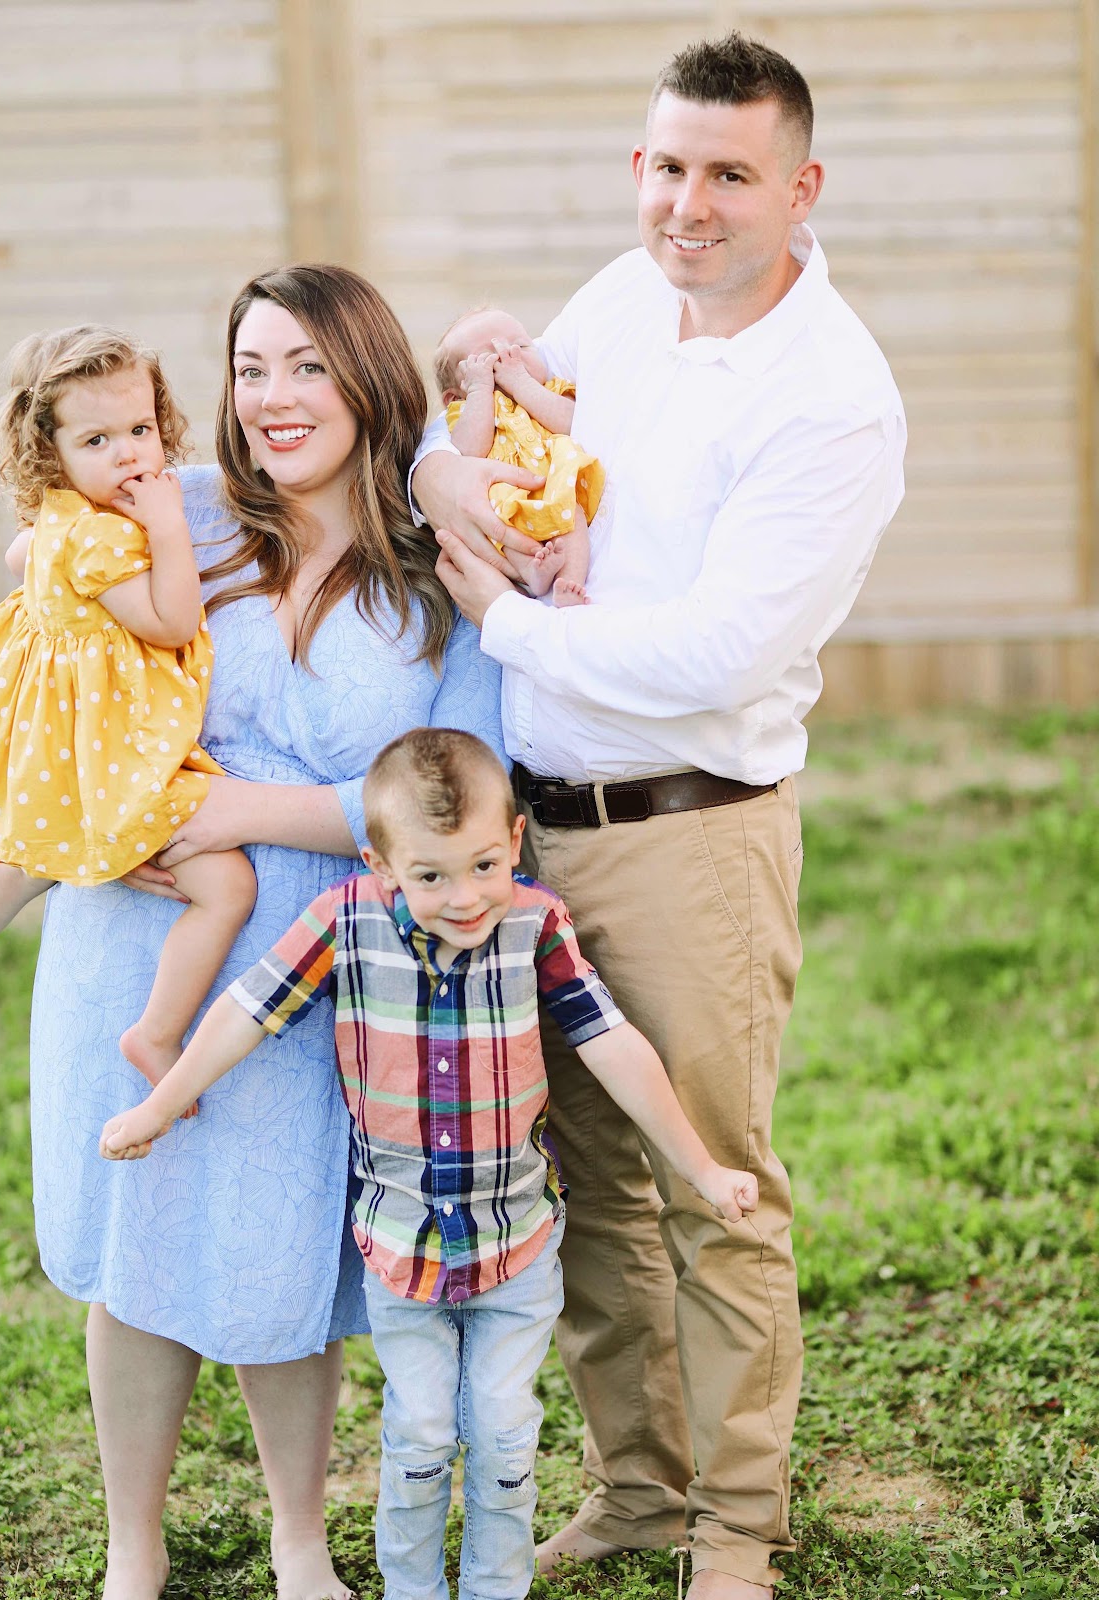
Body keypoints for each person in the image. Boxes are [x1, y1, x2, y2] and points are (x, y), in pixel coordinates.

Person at [412, 33, 906, 1600]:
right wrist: (447, 465)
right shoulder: (625, 300)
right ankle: (640, 1489)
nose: (689, 203)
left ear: (801, 190)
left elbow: (718, 654)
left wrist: (504, 617)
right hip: (532, 833)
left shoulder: (834, 399)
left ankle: (737, 1531)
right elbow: (500, 446)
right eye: (668, 165)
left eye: (729, 174)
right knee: (588, 1187)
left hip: (693, 836)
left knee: (713, 1189)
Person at [0, 266, 505, 1600]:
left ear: (367, 380)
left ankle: (297, 1537)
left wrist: (237, 810)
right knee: (137, 1243)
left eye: (307, 365)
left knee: (280, 1238)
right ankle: (130, 1546)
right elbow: (36, 643)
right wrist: (91, 801)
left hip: (318, 955)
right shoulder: (176, 513)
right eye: (251, 369)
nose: (272, 397)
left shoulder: (436, 570)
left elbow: (460, 784)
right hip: (135, 928)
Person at [97, 727, 760, 1600]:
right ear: (381, 865)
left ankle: (494, 1587)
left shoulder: (534, 924)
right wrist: (158, 1104)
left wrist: (702, 1169)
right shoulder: (344, 921)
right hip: (402, 1249)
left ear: (515, 839)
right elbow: (245, 1012)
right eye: (432, 876)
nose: (465, 898)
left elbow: (613, 1044)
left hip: (516, 1245)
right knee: (417, 1437)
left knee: (505, 1436)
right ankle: (412, 1588)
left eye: (484, 866)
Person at [0, 326, 257, 1091]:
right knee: (228, 886)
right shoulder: (105, 538)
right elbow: (172, 621)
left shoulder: (62, 519)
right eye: (98, 440)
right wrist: (169, 526)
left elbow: (20, 554)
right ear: (52, 454)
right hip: (110, 748)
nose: (130, 455)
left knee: (39, 847)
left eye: (140, 430)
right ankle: (156, 1035)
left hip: (73, 740)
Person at [433, 308, 603, 607]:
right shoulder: (466, 409)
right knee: (498, 522)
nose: (510, 356)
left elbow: (573, 424)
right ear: (454, 396)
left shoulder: (552, 389)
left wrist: (521, 383)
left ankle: (570, 583)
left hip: (554, 487)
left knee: (572, 518)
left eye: (522, 346)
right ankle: (530, 572)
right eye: (488, 358)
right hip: (503, 497)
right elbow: (469, 451)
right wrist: (481, 390)